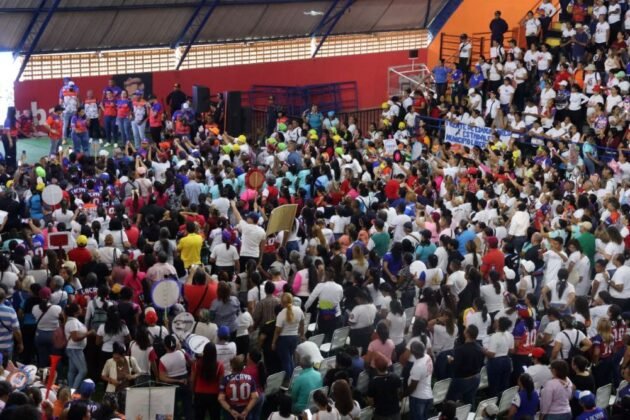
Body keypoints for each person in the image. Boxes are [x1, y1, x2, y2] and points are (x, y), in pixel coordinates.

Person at [446, 325, 485, 406]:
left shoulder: (461, 350)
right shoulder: (480, 348)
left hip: (463, 380)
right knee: (469, 402)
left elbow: (456, 367)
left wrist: (451, 361)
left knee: (451, 401)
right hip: (476, 378)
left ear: (467, 334)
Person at [158, 335, 193, 420]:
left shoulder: (162, 360)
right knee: (188, 405)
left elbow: (162, 378)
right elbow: (191, 363)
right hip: (185, 381)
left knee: (173, 407)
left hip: (172, 385)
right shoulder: (182, 352)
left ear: (165, 346)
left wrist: (176, 380)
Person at [272, 292, 304, 378]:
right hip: (294, 337)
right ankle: (293, 378)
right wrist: (302, 335)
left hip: (283, 340)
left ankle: (289, 379)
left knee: (286, 361)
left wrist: (273, 342)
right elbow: (302, 324)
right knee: (290, 359)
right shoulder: (299, 310)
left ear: (282, 302)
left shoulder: (281, 314)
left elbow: (277, 331)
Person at [101, 342, 141, 413]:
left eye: (118, 357)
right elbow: (103, 375)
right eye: (114, 355)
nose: (115, 358)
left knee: (124, 412)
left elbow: (139, 372)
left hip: (126, 393)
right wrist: (111, 380)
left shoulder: (131, 360)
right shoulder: (109, 362)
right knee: (112, 412)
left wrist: (132, 376)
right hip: (112, 392)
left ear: (123, 355)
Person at [218, 355, 259, 420]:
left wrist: (231, 410)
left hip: (230, 412)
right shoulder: (250, 378)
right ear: (243, 366)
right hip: (245, 411)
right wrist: (246, 410)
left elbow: (220, 398)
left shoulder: (225, 380)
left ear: (231, 366)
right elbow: (255, 396)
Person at [191, 342, 224, 420]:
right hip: (214, 395)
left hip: (199, 394)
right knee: (215, 417)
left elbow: (192, 380)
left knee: (199, 417)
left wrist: (193, 391)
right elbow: (221, 383)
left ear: (204, 351)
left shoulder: (196, 364)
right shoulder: (220, 365)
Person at [64, 303, 91, 389]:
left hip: (75, 348)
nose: (81, 309)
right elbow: (75, 338)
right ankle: (74, 390)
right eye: (80, 308)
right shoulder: (73, 322)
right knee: (83, 370)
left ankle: (70, 389)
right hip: (75, 349)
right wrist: (88, 333)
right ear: (75, 312)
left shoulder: (73, 321)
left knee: (72, 370)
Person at [406, 341, 433, 420]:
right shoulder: (427, 357)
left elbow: (413, 386)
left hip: (418, 398)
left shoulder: (418, 366)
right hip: (428, 396)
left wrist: (404, 394)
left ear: (412, 352)